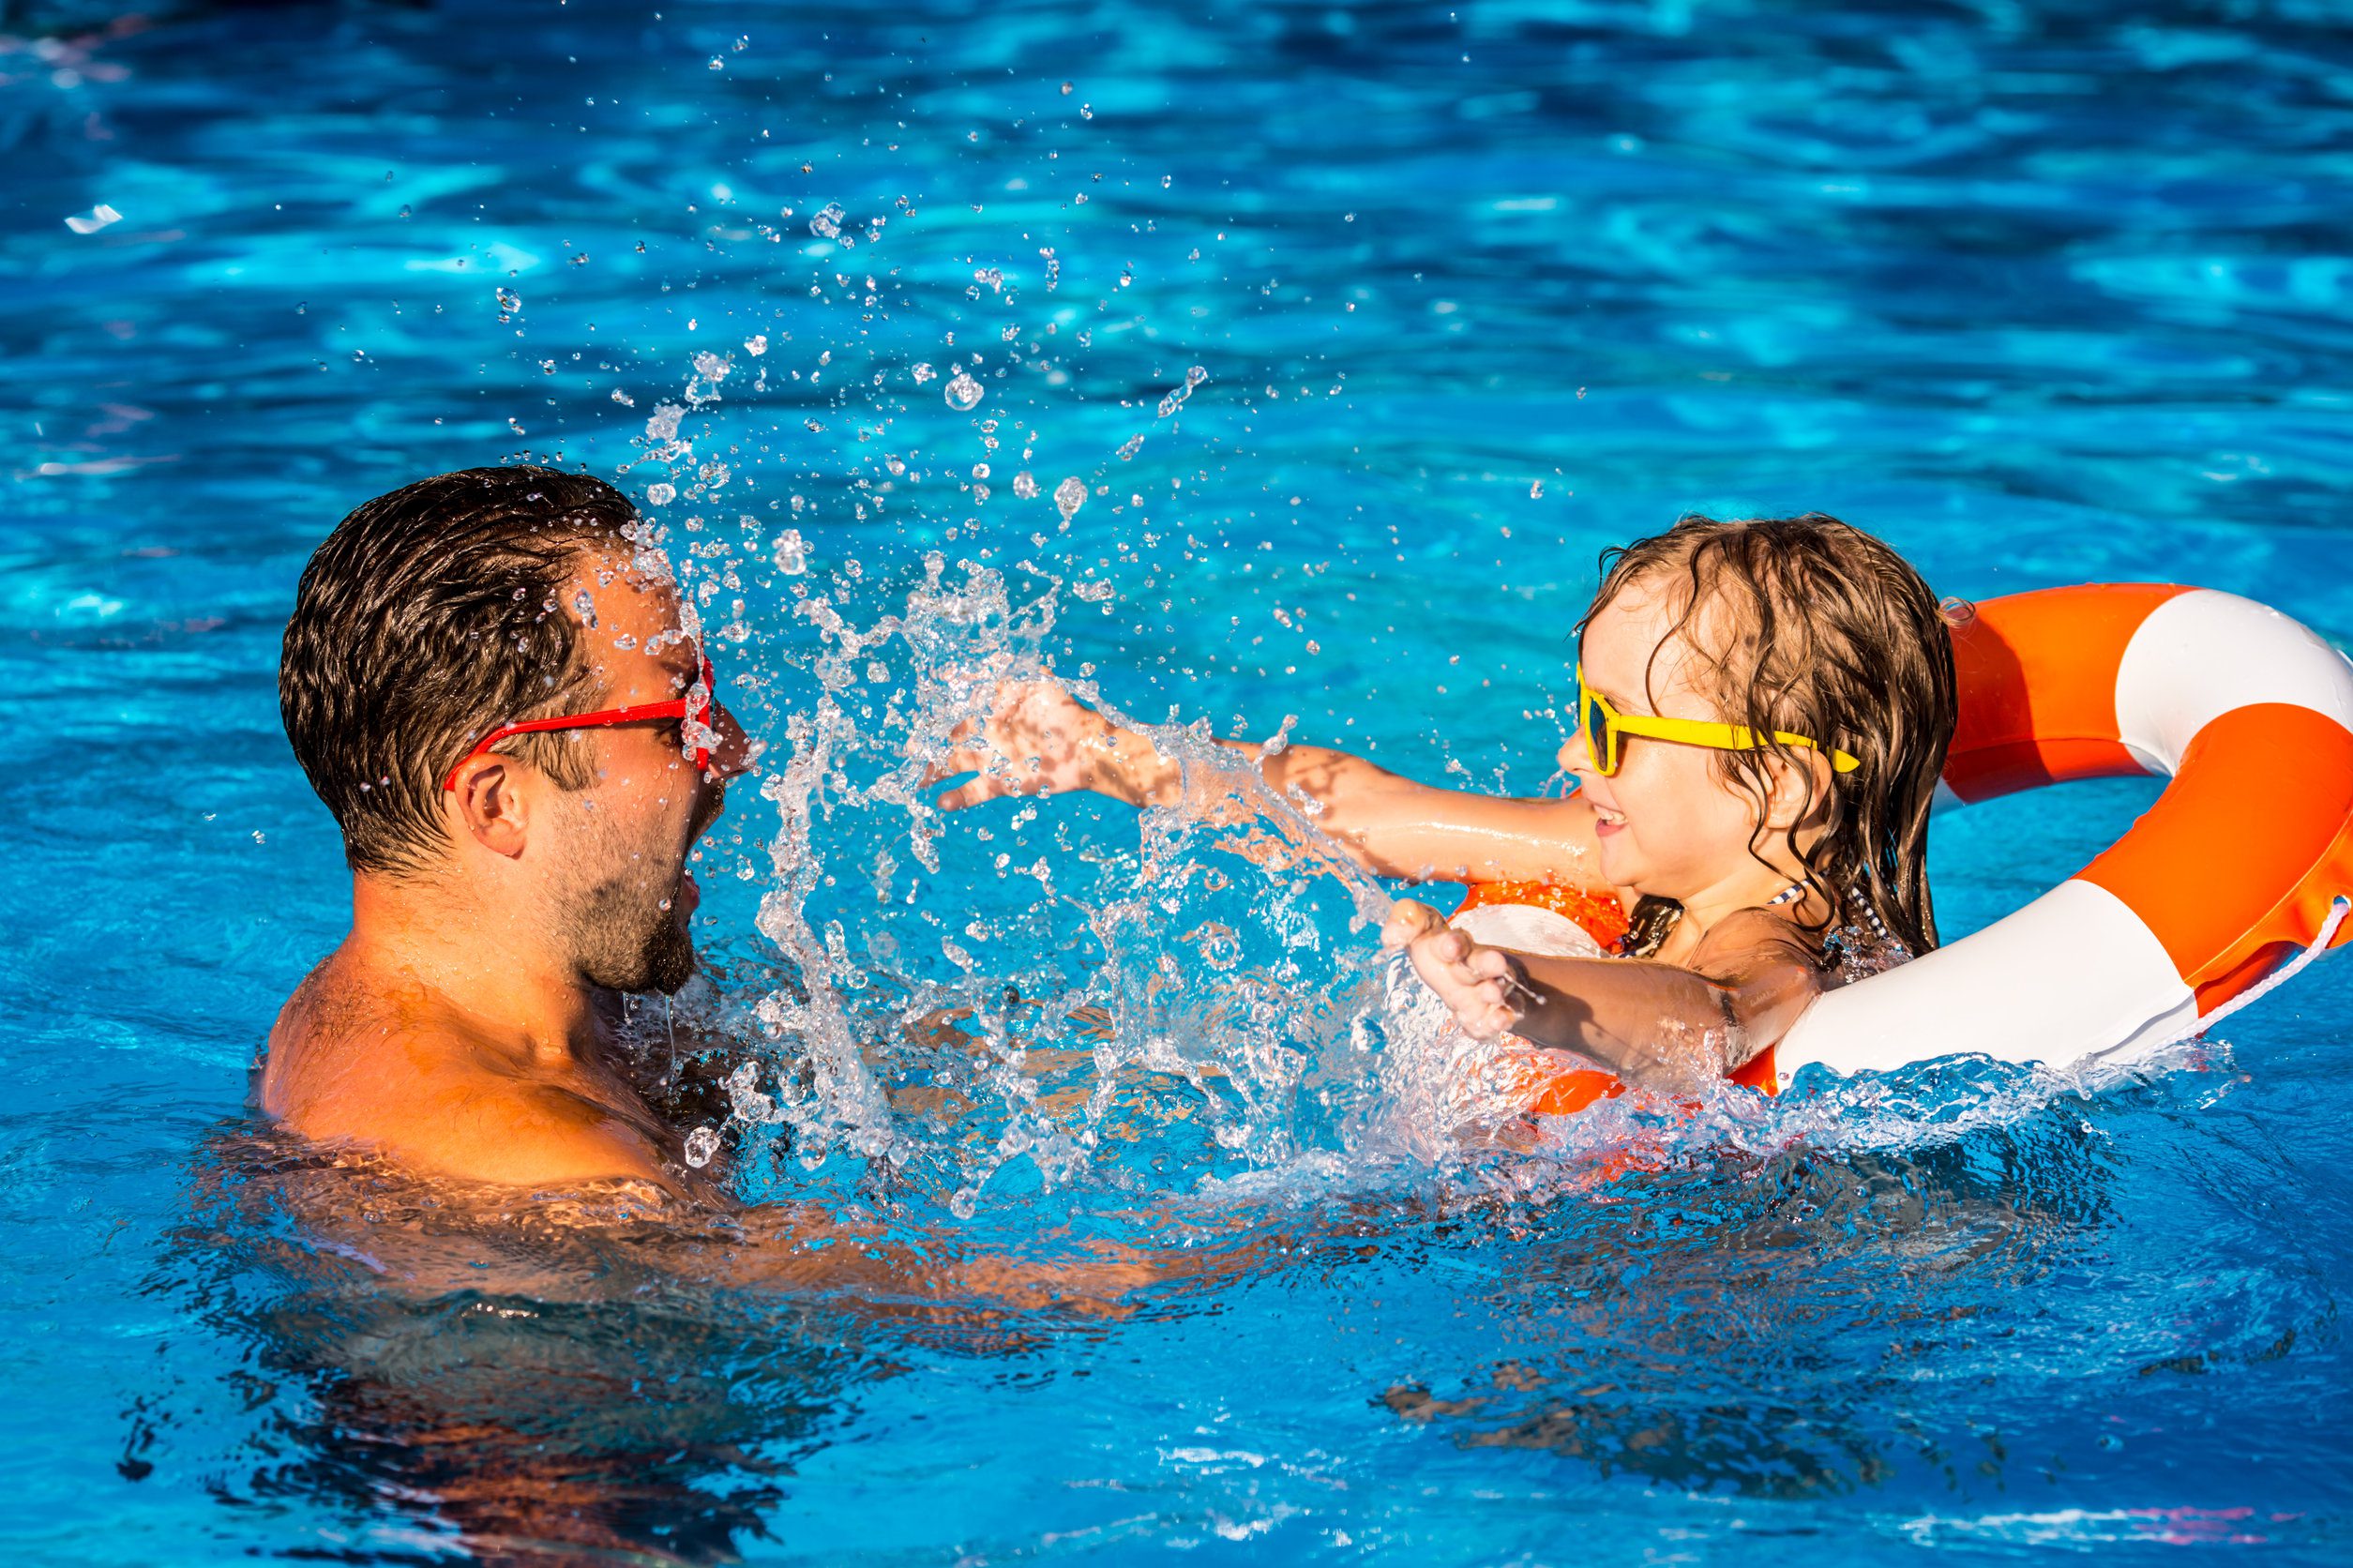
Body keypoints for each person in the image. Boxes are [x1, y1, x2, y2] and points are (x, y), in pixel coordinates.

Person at [927, 512, 1958, 1096]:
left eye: (1610, 728)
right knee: (989, 1044)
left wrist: (1531, 995)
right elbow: (1373, 814)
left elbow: (1717, 1015)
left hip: (1623, 1248)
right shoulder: (1643, 858)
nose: (1568, 749)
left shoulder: (1779, 941)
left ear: (1780, 783)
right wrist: (1115, 756)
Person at [265, 465, 756, 1193]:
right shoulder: (562, 1176)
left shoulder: (553, 992)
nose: (733, 750)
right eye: (677, 717)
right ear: (497, 804)